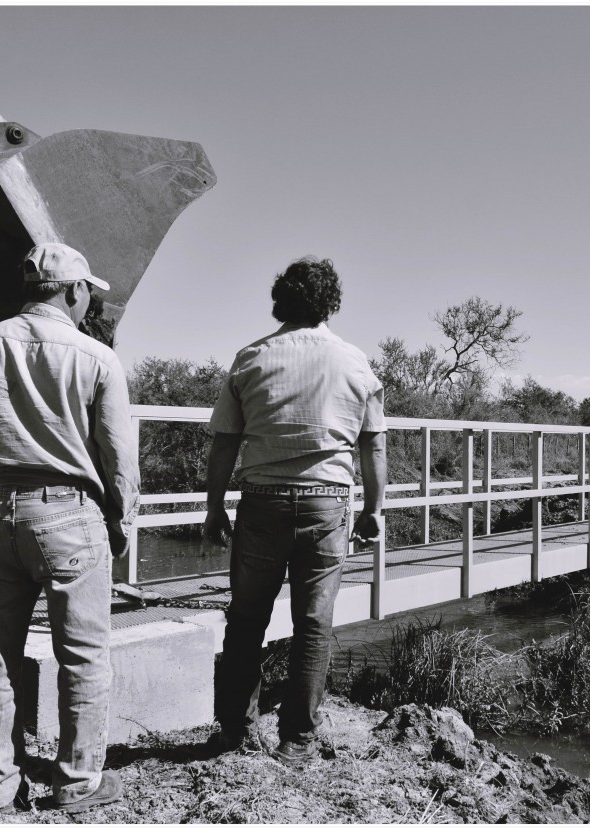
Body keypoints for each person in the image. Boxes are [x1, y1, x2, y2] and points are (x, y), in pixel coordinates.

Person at [0, 242, 139, 814]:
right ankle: (78, 784)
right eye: (87, 294)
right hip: (70, 514)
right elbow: (119, 454)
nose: (87, 302)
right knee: (83, 655)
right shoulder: (97, 357)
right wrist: (120, 519)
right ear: (74, 291)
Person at [203, 256, 387, 768]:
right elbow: (372, 447)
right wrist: (375, 508)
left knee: (245, 620)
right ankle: (298, 740)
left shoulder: (250, 358)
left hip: (261, 500)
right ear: (331, 302)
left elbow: (224, 444)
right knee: (313, 624)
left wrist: (215, 506)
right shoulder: (355, 362)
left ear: (281, 299)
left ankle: (236, 732)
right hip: (326, 503)